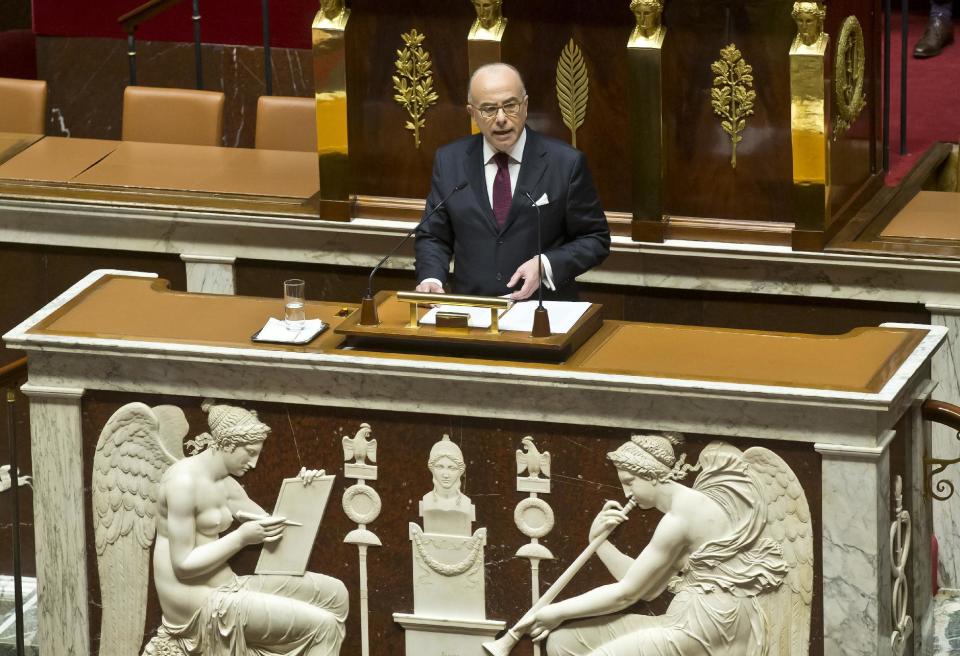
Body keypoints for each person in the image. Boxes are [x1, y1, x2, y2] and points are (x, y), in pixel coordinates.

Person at [522, 434, 789, 656]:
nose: (627, 493)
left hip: (708, 626)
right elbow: (648, 587)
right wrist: (600, 544)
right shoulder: (684, 509)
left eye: (629, 482)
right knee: (563, 642)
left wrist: (554, 612)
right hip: (689, 618)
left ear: (650, 475)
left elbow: (627, 593)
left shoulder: (680, 518)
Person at [151, 400, 349, 655]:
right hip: (196, 605)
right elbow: (184, 565)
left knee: (336, 594)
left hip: (227, 586)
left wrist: (305, 490)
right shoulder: (183, 483)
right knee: (324, 627)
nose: (254, 464)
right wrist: (241, 538)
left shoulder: (225, 485)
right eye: (251, 452)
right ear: (229, 444)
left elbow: (274, 526)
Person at [414, 63, 610, 301]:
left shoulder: (565, 163)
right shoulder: (449, 161)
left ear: (525, 106)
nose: (501, 119)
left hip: (543, 312)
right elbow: (434, 235)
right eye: (488, 109)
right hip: (474, 311)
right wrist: (431, 279)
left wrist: (546, 265)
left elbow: (594, 239)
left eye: (510, 106)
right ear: (472, 113)